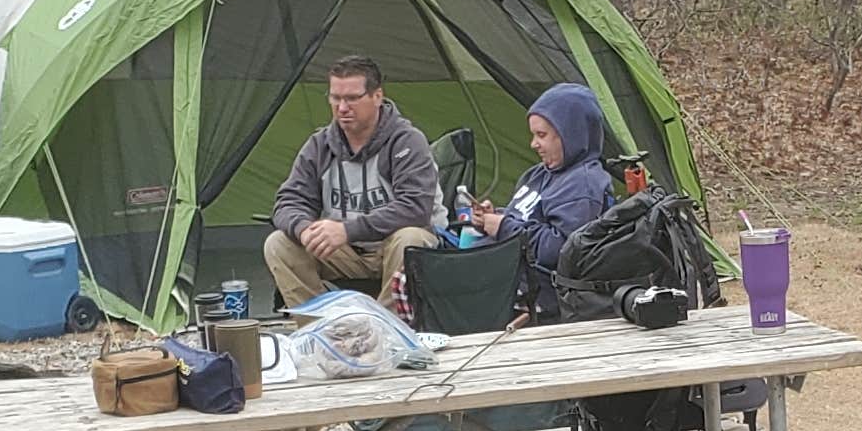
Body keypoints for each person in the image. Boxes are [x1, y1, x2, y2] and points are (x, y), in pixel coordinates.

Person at [263, 56, 443, 305]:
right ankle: (321, 328)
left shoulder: (407, 141)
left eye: (352, 98)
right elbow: (288, 200)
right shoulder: (320, 144)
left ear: (377, 97)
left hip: (394, 248)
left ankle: (385, 331)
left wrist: (347, 230)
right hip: (345, 253)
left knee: (410, 238)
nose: (342, 108)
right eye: (335, 98)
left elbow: (415, 208)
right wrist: (303, 229)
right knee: (280, 243)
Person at [464, 82, 617, 320]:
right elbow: (527, 218)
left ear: (571, 135)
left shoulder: (583, 185)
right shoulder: (539, 173)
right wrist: (492, 217)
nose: (533, 144)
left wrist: (504, 227)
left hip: (536, 297)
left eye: (541, 135)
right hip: (501, 276)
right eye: (533, 134)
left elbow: (563, 250)